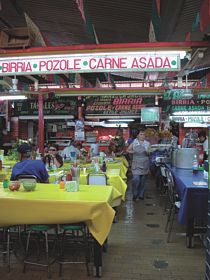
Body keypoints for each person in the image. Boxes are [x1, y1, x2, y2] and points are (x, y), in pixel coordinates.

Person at [127, 129, 150, 201]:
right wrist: (134, 151)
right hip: (136, 163)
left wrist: (147, 152)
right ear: (137, 135)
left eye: (144, 134)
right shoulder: (134, 142)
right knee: (136, 179)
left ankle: (141, 195)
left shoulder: (147, 143)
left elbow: (149, 154)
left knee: (143, 180)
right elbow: (128, 150)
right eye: (141, 134)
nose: (142, 136)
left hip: (144, 163)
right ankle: (135, 194)